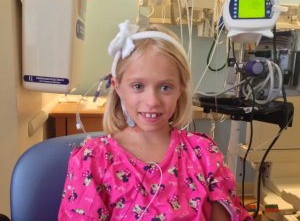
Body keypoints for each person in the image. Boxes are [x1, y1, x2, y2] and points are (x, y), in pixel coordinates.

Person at [58, 19, 253, 221]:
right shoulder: (94, 160)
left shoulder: (203, 154)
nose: (152, 101)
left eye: (165, 87)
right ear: (117, 86)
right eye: (138, 86)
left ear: (181, 88)